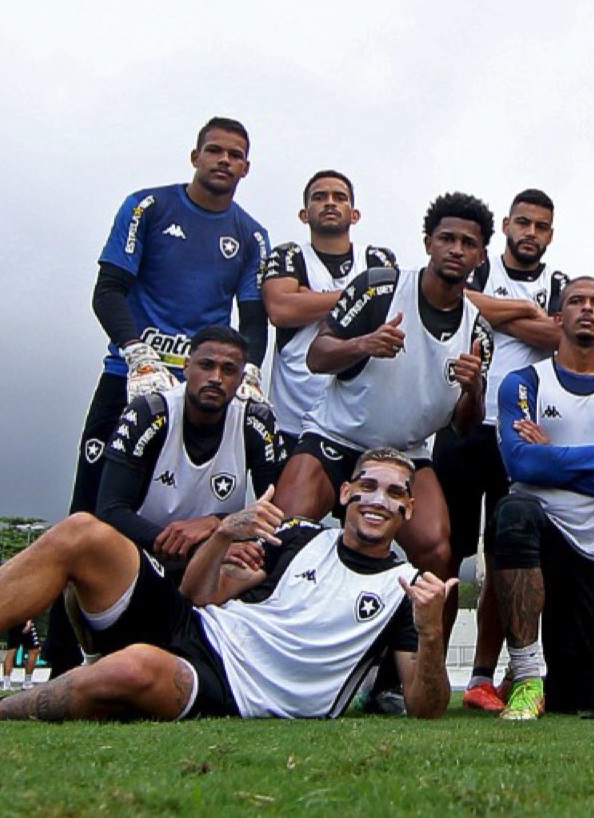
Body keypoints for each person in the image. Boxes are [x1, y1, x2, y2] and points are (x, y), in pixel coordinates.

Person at [0, 451, 454, 722]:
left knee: (132, 667)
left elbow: (425, 707)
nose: (377, 497)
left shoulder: (408, 586)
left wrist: (429, 630)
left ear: (405, 511)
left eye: (395, 492)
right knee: (82, 530)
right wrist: (225, 532)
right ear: (345, 492)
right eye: (366, 483)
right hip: (198, 629)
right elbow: (195, 597)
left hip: (233, 692)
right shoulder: (299, 536)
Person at [51, 118, 269, 673]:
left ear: (247, 166)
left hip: (202, 390)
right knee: (89, 517)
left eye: (235, 154)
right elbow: (108, 290)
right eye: (214, 150)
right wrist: (135, 351)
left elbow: (255, 317)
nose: (223, 160)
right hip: (132, 380)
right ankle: (60, 662)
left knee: (195, 511)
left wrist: (249, 369)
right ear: (194, 154)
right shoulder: (148, 207)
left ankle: (173, 644)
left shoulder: (251, 235)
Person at [278, 193, 495, 603]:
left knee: (437, 550)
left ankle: (415, 655)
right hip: (337, 436)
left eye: (469, 243)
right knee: (284, 530)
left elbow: (464, 426)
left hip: (406, 452)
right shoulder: (379, 289)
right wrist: (364, 343)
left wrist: (475, 391)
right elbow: (316, 356)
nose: (456, 249)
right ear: (428, 241)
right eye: (447, 238)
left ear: (481, 255)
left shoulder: (478, 330)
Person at [490, 277, 594, 719]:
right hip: (540, 530)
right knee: (515, 510)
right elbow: (520, 465)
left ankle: (547, 683)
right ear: (558, 317)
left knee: (574, 701)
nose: (587, 308)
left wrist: (551, 460)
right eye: (576, 301)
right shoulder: (523, 382)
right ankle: (526, 675)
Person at [458, 188, 569, 710]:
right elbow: (457, 295)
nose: (530, 233)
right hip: (461, 422)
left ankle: (487, 676)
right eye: (522, 223)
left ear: (550, 233)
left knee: (506, 559)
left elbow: (561, 337)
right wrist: (525, 311)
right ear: (505, 224)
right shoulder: (478, 265)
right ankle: (417, 670)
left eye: (540, 226)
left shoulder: (560, 283)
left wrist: (499, 315)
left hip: (519, 432)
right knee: (446, 555)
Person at [95, 325, 284, 571]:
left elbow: (278, 512)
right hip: (141, 555)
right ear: (186, 366)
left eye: (229, 370)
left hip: (218, 560)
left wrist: (217, 524)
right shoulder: (148, 413)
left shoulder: (257, 421)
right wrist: (192, 545)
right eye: (206, 365)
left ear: (241, 379)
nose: (216, 378)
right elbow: (110, 510)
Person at [259, 170, 397, 444]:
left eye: (339, 197)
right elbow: (281, 310)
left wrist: (307, 296)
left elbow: (390, 313)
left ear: (354, 214)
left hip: (359, 414)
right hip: (293, 415)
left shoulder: (376, 258)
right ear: (304, 214)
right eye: (320, 197)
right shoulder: (289, 255)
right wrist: (362, 293)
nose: (330, 203)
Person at [0, 622, 39, 691]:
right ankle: (26, 682)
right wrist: (28, 622)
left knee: (12, 650)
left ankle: (7, 683)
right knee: (32, 650)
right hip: (21, 621)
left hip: (14, 621)